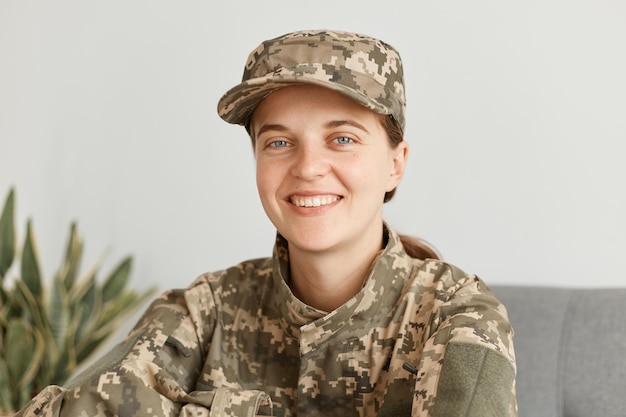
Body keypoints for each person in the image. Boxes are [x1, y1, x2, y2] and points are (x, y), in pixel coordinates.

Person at [15, 29, 517, 417]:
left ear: (395, 163)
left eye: (342, 138)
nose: (307, 166)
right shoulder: (204, 309)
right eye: (278, 142)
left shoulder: (458, 317)